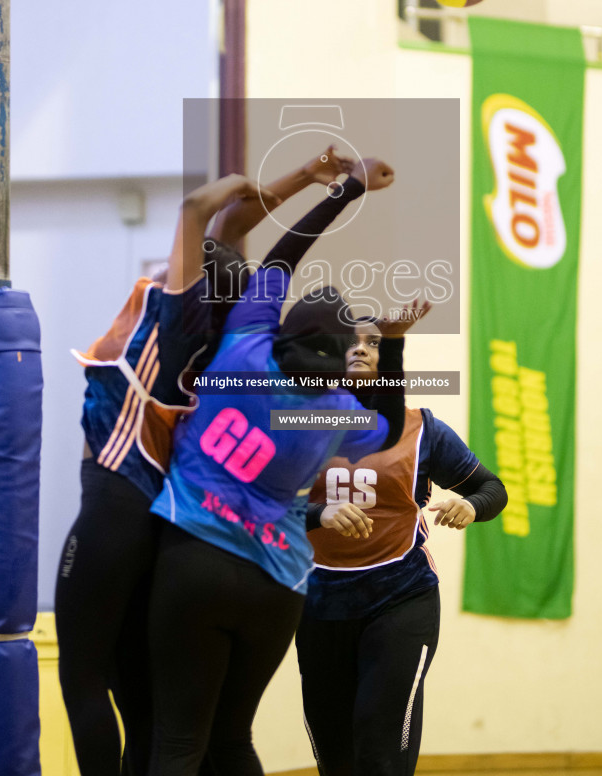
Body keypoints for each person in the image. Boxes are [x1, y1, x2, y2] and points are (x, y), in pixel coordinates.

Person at [54, 148, 352, 776]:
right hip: (171, 526)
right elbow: (232, 237)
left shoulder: (173, 314)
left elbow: (203, 215)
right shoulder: (230, 347)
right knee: (150, 713)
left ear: (184, 280)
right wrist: (307, 180)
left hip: (118, 498)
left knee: (83, 679)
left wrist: (248, 184)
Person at [147, 160, 430, 776]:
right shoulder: (336, 416)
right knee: (233, 740)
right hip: (278, 587)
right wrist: (394, 344)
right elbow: (385, 417)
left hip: (198, 554)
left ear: (284, 332)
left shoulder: (247, 347)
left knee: (176, 743)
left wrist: (348, 187)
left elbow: (280, 259)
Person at [295, 319, 508, 776]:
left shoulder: (423, 429)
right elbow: (255, 509)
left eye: (373, 342)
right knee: (335, 753)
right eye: (350, 341)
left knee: (380, 746)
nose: (361, 349)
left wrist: (472, 505)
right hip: (318, 602)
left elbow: (493, 489)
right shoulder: (299, 424)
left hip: (400, 597)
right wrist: (318, 515)